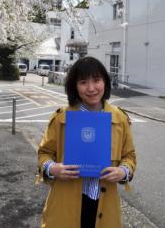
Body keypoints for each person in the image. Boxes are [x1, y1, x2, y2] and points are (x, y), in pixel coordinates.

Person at [37, 56, 136, 228]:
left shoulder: (119, 118)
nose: (91, 88)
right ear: (74, 86)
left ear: (105, 82)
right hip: (65, 204)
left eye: (96, 80)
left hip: (104, 206)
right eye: (83, 82)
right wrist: (52, 168)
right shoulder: (61, 118)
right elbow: (44, 154)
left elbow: (129, 156)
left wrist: (123, 171)